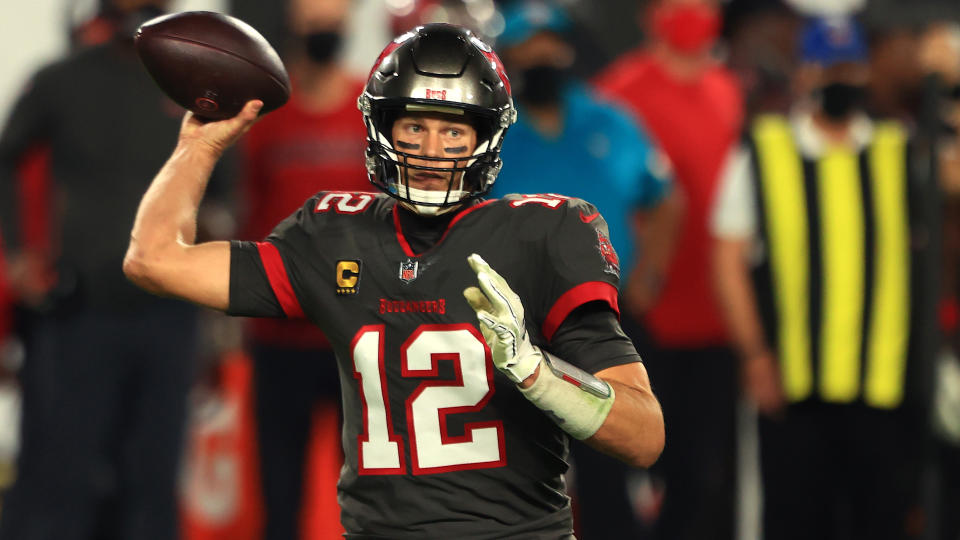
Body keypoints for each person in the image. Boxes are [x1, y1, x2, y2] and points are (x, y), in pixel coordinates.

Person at [123, 23, 665, 537]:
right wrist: (201, 146)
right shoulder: (334, 234)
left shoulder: (543, 233)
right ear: (382, 128)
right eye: (414, 126)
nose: (432, 151)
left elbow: (644, 436)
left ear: (486, 135)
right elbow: (154, 259)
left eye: (453, 130)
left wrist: (537, 372)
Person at [0, 1, 225, 538]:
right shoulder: (63, 80)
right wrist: (17, 257)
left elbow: (224, 196)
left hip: (169, 317)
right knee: (62, 483)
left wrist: (221, 317)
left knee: (152, 486)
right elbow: (5, 158)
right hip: (81, 317)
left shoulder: (198, 88)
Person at [712, 16, 927, 540]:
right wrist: (755, 354)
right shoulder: (763, 151)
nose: (841, 78)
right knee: (796, 518)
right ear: (804, 75)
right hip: (792, 382)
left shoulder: (899, 150)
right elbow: (727, 258)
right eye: (829, 67)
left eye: (851, 66)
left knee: (880, 520)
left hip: (883, 384)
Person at [491, 2, 678, 537]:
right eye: (531, 45)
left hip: (606, 319)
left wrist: (651, 276)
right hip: (520, 323)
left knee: (614, 460)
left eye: (553, 43)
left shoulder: (612, 121)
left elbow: (666, 198)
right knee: (523, 463)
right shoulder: (496, 132)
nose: (544, 55)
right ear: (511, 55)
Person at [593, 1, 743, 538]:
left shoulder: (728, 88)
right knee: (630, 477)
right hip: (644, 320)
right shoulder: (618, 92)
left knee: (706, 480)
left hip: (719, 316)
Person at [237, 0, 368, 537]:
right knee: (279, 494)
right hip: (279, 334)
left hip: (355, 338)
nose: (324, 29)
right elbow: (249, 215)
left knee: (370, 494)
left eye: (332, 19)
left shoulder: (370, 109)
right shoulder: (266, 115)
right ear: (292, 20)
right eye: (314, 18)